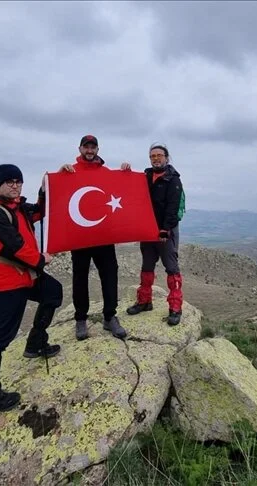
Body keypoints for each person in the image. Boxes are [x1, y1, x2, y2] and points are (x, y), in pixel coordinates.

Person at [0, 163, 63, 412]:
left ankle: (35, 343)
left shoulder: (18, 207)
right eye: (9, 181)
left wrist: (46, 190)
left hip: (26, 277)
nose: (14, 185)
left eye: (18, 181)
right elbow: (13, 247)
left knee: (53, 292)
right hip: (6, 283)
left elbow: (41, 211)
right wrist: (40, 259)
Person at [59, 134, 131, 341]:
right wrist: (58, 174)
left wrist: (125, 173)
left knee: (110, 274)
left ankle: (110, 317)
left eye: (93, 147)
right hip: (80, 237)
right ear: (80, 149)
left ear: (98, 150)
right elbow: (55, 195)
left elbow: (123, 191)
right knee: (79, 277)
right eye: (86, 147)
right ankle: (81, 319)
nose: (89, 150)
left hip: (103, 236)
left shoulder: (106, 173)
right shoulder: (70, 171)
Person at [126, 142, 184, 325]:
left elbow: (173, 207)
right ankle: (144, 301)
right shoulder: (145, 176)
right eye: (153, 156)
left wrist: (165, 229)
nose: (156, 158)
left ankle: (175, 307)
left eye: (159, 155)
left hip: (165, 232)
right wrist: (125, 172)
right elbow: (130, 191)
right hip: (148, 231)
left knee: (171, 269)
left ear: (166, 157)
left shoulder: (173, 179)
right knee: (147, 267)